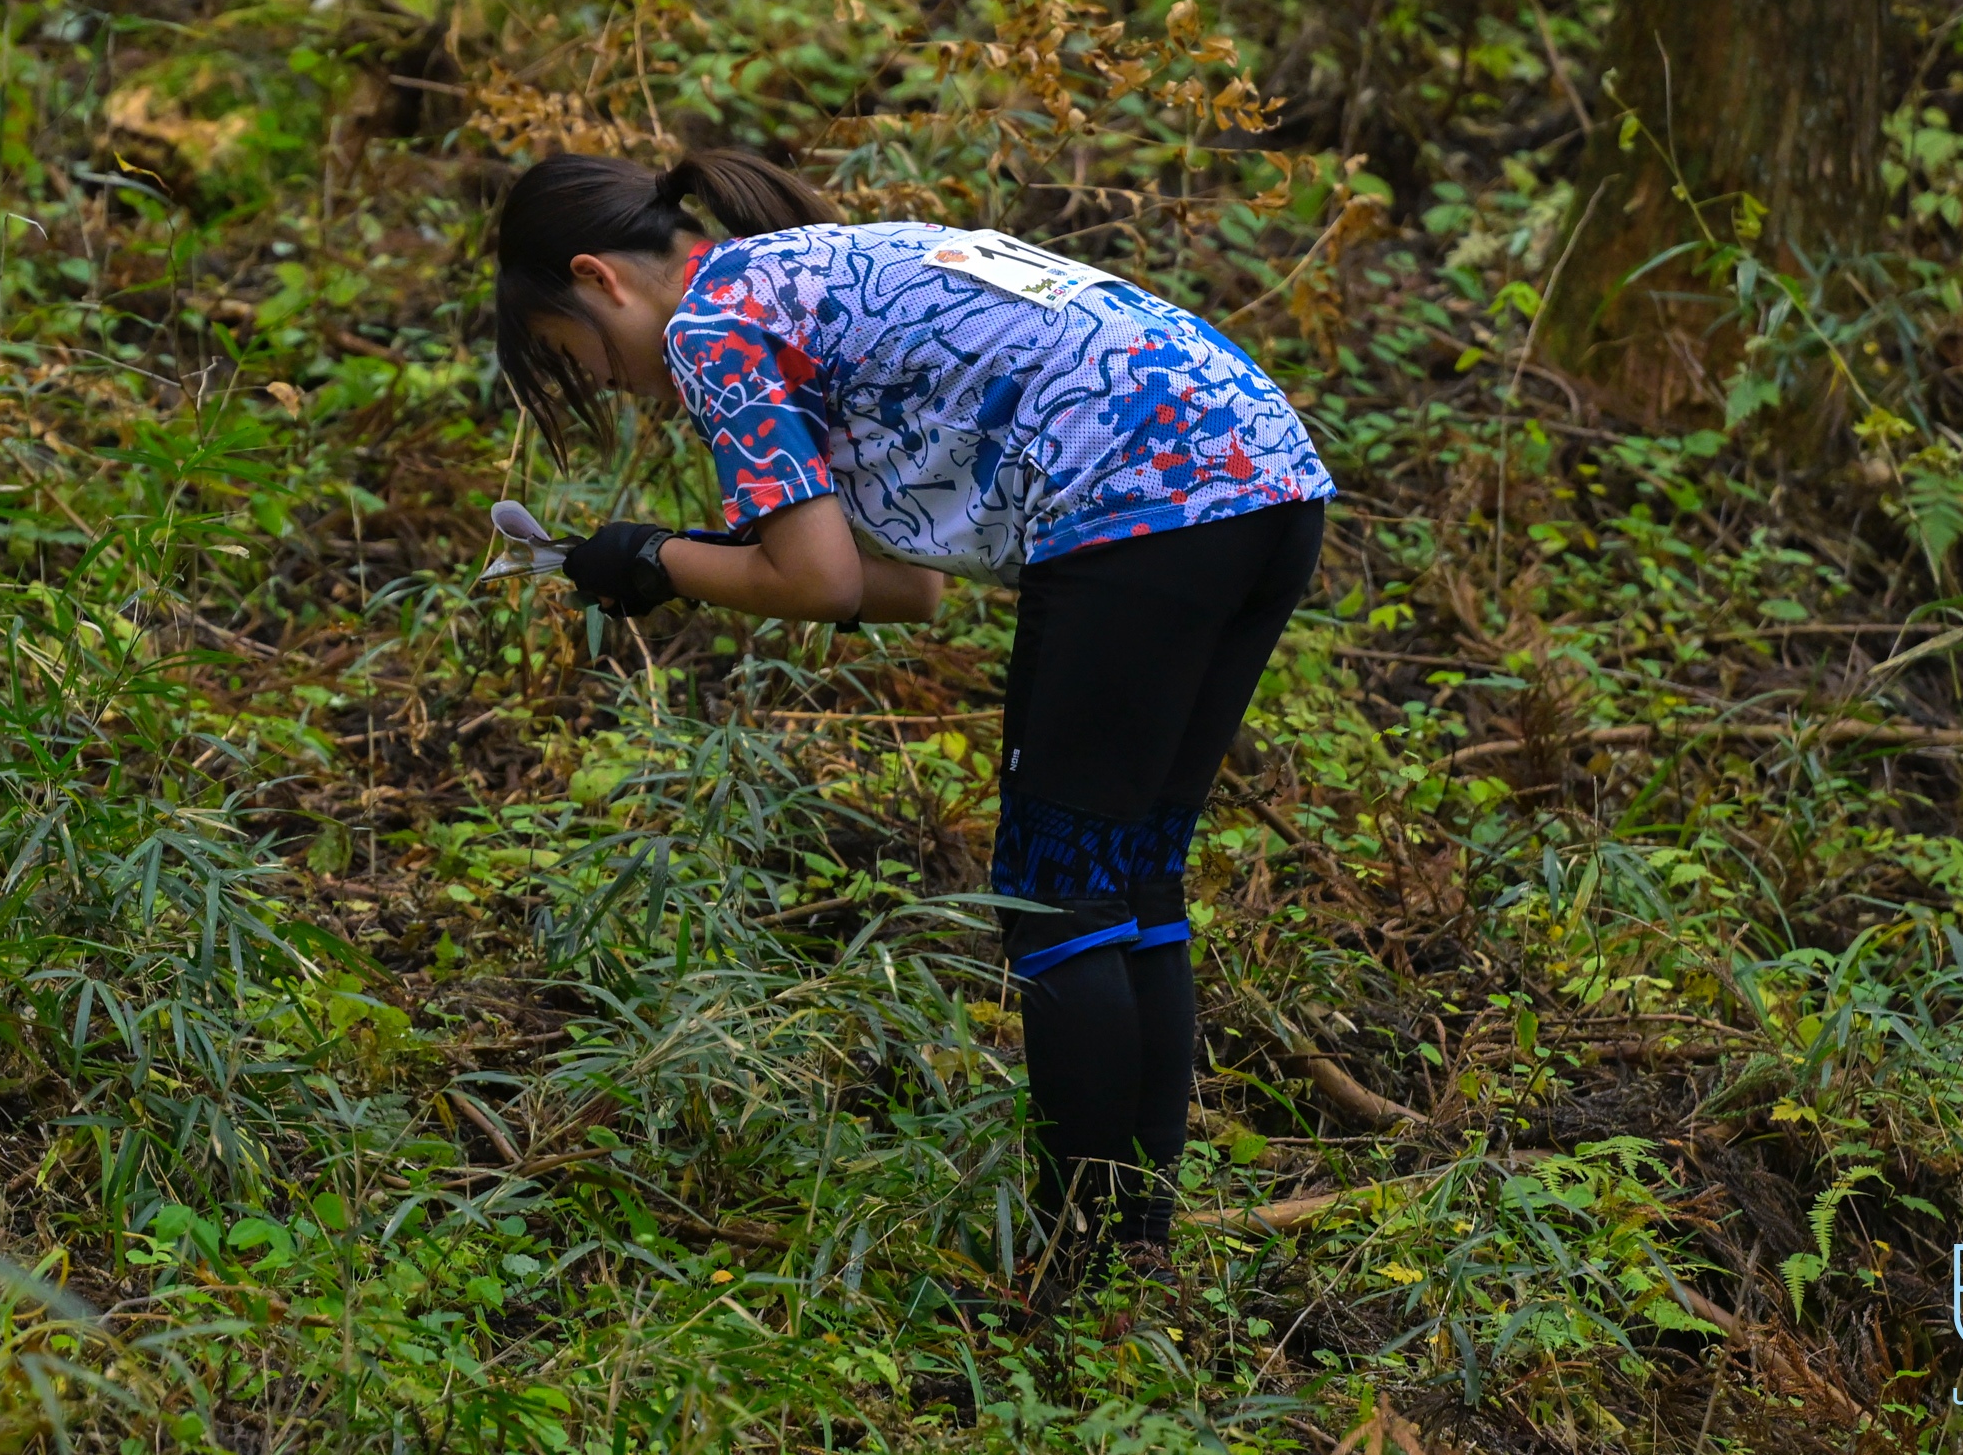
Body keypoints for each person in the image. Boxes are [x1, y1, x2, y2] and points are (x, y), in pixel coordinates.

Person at [493, 147, 1333, 1276]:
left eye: (575, 356)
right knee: (1129, 876)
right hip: (1263, 474)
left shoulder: (707, 324)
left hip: (1136, 499)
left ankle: (1079, 1269)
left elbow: (818, 583)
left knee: (1054, 898)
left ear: (599, 280)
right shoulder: (792, 275)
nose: (604, 384)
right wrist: (686, 554)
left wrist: (652, 558)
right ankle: (1133, 1252)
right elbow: (902, 588)